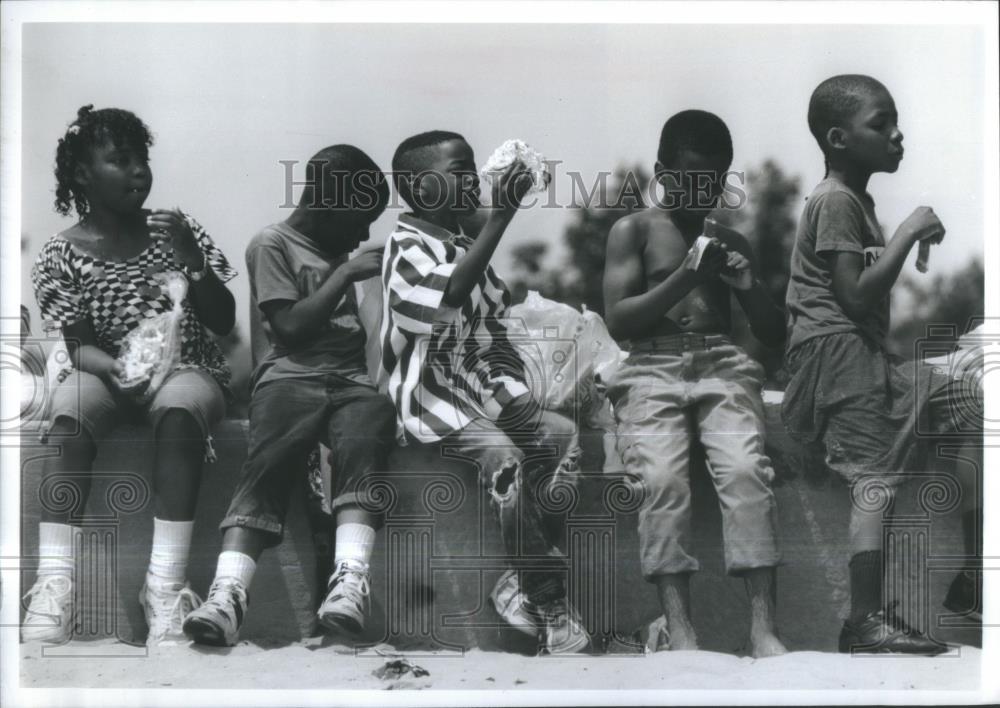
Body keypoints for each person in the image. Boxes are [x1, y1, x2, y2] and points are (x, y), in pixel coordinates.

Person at [782, 74, 982, 654]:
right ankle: (864, 621)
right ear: (839, 138)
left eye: (896, 122)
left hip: (861, 352)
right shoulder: (836, 200)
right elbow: (856, 297)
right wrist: (909, 230)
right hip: (834, 353)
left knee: (973, 403)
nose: (898, 135)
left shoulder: (854, 200)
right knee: (875, 474)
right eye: (881, 124)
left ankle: (973, 575)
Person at [23, 105, 238, 646]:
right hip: (107, 368)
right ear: (80, 175)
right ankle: (55, 586)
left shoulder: (175, 231)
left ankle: (164, 589)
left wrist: (194, 262)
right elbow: (79, 346)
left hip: (186, 364)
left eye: (142, 159)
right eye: (120, 160)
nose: (138, 171)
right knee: (70, 409)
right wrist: (117, 370)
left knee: (182, 410)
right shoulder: (59, 253)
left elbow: (222, 318)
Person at [380, 130, 588, 654]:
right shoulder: (404, 246)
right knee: (506, 458)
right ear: (420, 189)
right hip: (434, 396)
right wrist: (502, 216)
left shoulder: (464, 245)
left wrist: (526, 389)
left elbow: (492, 328)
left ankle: (519, 578)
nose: (473, 179)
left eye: (473, 168)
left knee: (561, 439)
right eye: (460, 171)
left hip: (484, 389)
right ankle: (546, 596)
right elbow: (445, 299)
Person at [182, 145, 397, 646]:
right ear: (328, 202)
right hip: (288, 376)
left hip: (348, 383)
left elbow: (368, 335)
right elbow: (292, 328)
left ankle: (350, 580)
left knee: (369, 428)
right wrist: (344, 274)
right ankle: (229, 593)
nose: (365, 234)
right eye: (362, 219)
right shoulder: (271, 244)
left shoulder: (340, 253)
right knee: (268, 463)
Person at [602, 110, 787, 657]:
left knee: (747, 470)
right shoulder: (633, 230)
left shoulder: (728, 238)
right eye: (688, 177)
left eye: (714, 180)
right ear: (662, 172)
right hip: (649, 368)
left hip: (721, 366)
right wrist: (687, 274)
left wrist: (747, 286)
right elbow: (619, 321)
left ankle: (763, 629)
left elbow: (772, 332)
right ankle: (680, 630)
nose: (701, 190)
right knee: (660, 480)